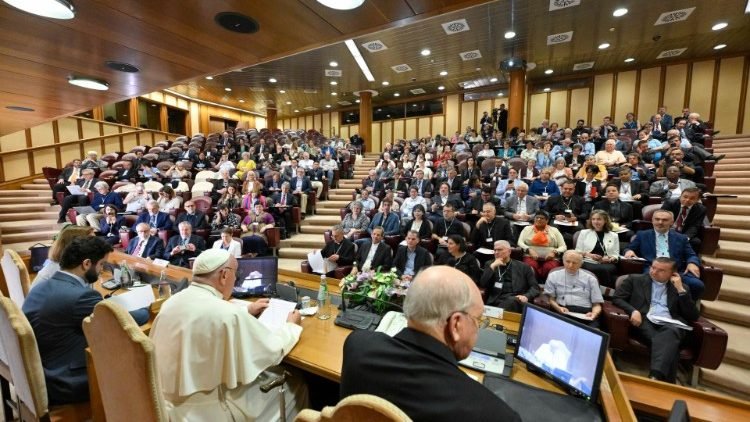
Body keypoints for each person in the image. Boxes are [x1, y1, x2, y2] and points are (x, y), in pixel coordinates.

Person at [340, 265, 521, 421]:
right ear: (456, 324)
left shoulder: (357, 345)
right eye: (477, 320)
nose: (478, 329)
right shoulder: (495, 415)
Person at [150, 249, 306, 420]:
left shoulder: (171, 302)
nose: (236, 279)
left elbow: (205, 311)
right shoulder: (229, 315)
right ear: (224, 275)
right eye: (236, 273)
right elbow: (272, 349)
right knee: (297, 385)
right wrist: (291, 327)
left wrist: (247, 309)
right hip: (211, 409)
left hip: (166, 406)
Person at [23, 237, 149, 406]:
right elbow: (124, 321)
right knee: (143, 365)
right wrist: (150, 309)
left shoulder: (40, 286)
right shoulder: (81, 296)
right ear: (87, 263)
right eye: (101, 265)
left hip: (44, 372)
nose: (101, 270)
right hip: (66, 382)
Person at [612, 257, 699, 382]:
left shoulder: (682, 287)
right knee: (669, 344)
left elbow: (693, 316)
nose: (654, 272)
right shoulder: (634, 279)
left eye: (661, 270)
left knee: (671, 332)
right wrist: (633, 310)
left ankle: (655, 377)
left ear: (672, 274)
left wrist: (680, 290)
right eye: (653, 267)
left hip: (671, 324)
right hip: (645, 320)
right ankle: (663, 382)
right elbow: (617, 298)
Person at [624, 209, 704, 300]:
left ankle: (684, 309)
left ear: (672, 222)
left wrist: (692, 262)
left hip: (675, 271)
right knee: (653, 281)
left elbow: (691, 255)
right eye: (657, 219)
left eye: (665, 220)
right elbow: (629, 248)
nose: (660, 222)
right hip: (653, 269)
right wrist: (628, 251)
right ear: (652, 220)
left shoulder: (681, 238)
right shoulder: (642, 235)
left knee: (697, 285)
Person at [543, 251, 604, 328]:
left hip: (585, 313)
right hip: (562, 310)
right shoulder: (553, 276)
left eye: (574, 263)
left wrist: (594, 314)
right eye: (567, 261)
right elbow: (551, 299)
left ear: (581, 264)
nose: (570, 265)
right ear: (563, 261)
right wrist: (558, 308)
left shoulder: (591, 279)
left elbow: (597, 304)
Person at [478, 240, 539, 312]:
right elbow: (482, 284)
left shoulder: (523, 267)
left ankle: (497, 314)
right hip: (496, 299)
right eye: (495, 250)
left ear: (509, 251)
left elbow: (535, 288)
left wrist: (526, 296)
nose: (497, 252)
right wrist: (492, 267)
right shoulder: (490, 264)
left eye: (500, 249)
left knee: (512, 300)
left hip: (516, 299)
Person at [517, 210, 566, 280]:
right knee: (530, 266)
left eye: (542, 218)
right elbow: (520, 242)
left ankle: (546, 284)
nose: (538, 219)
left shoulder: (554, 230)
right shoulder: (527, 229)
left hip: (550, 257)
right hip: (530, 255)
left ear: (547, 221)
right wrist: (529, 249)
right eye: (537, 217)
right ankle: (533, 284)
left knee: (549, 267)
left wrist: (554, 252)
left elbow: (563, 246)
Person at [661, 187, 706, 253]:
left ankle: (690, 260)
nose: (687, 200)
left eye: (692, 198)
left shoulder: (701, 209)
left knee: (696, 242)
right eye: (685, 197)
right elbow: (662, 219)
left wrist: (685, 237)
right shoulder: (670, 203)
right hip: (668, 230)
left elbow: (695, 226)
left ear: (698, 200)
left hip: (684, 232)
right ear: (680, 196)